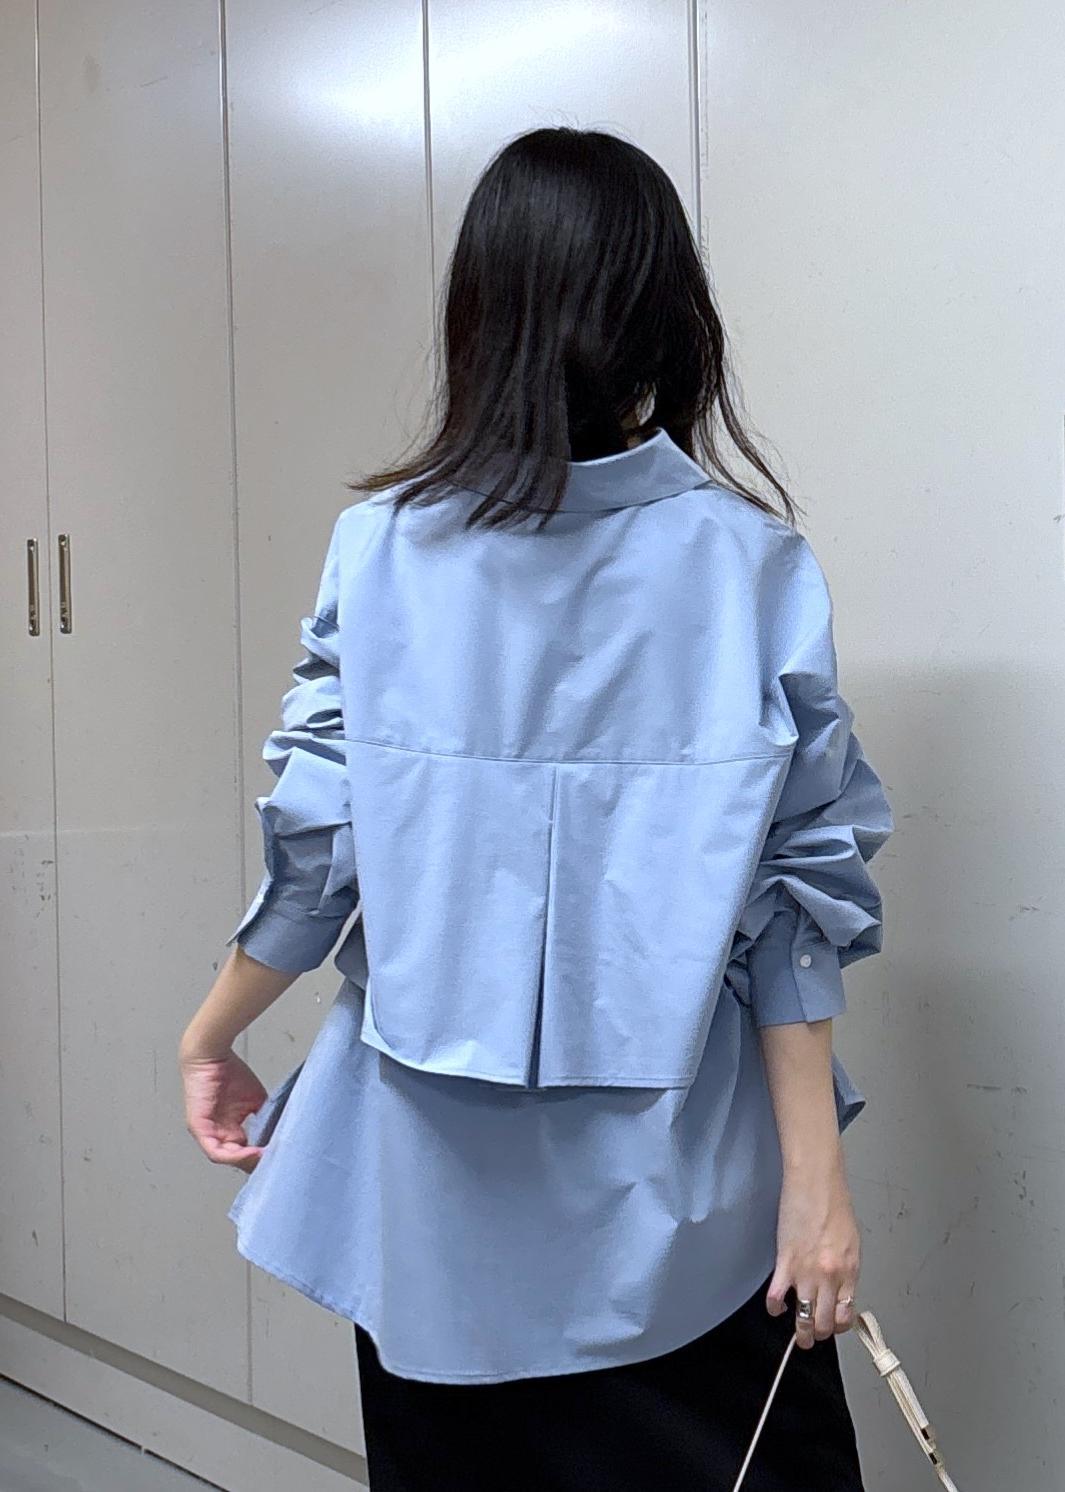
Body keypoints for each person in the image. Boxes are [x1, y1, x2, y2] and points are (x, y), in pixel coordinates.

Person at [179, 126, 894, 1491]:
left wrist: (214, 1034)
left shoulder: (381, 550)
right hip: (678, 1197)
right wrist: (817, 1189)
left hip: (431, 1204)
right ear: (669, 314)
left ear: (480, 313)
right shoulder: (748, 564)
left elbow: (320, 856)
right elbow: (795, 908)